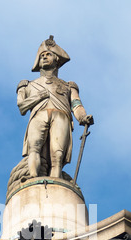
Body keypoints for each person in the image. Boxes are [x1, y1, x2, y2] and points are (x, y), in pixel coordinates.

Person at [17, 36, 93, 179]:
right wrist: (38, 97)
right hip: (38, 115)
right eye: (42, 56)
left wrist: (83, 117)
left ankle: (56, 180)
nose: (45, 57)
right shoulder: (27, 85)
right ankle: (32, 176)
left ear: (56, 59)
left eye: (48, 54)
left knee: (57, 154)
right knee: (34, 148)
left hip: (61, 116)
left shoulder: (68, 85)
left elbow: (76, 104)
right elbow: (22, 107)